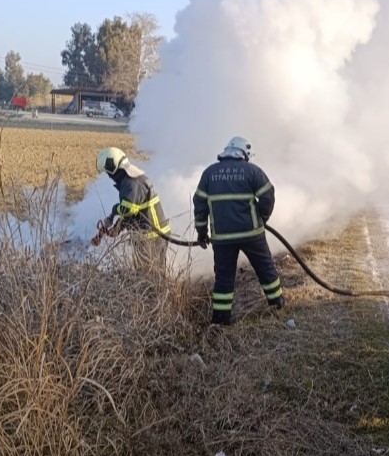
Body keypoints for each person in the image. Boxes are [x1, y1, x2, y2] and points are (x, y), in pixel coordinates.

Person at [193, 136, 283, 325]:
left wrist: (201, 232)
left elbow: (199, 204)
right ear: (245, 153)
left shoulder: (209, 173)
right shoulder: (252, 171)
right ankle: (278, 306)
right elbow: (268, 196)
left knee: (224, 278)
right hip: (252, 234)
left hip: (222, 238)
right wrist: (262, 218)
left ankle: (220, 320)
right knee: (265, 269)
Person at [94, 147, 171, 272]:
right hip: (151, 235)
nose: (109, 177)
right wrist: (118, 227)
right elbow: (133, 211)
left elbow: (128, 209)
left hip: (151, 236)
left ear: (113, 168)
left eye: (108, 173)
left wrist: (115, 210)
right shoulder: (132, 179)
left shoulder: (132, 182)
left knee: (148, 274)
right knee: (150, 273)